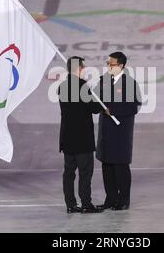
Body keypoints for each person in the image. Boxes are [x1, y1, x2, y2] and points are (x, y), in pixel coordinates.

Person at [94, 52, 141, 211]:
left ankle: (123, 200)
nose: (108, 66)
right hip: (106, 132)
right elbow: (96, 101)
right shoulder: (103, 81)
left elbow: (133, 107)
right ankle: (111, 199)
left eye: (111, 64)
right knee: (107, 167)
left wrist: (113, 110)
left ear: (121, 66)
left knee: (120, 166)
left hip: (121, 132)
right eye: (107, 63)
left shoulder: (130, 83)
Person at [58, 56, 105, 214]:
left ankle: (70, 205)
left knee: (69, 173)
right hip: (82, 139)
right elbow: (94, 108)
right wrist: (101, 103)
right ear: (79, 68)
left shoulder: (62, 86)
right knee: (85, 173)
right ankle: (86, 204)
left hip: (67, 138)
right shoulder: (82, 87)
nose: (84, 69)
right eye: (83, 67)